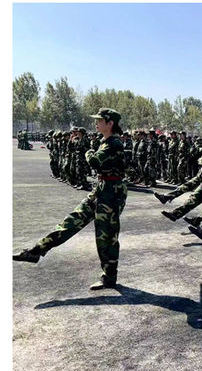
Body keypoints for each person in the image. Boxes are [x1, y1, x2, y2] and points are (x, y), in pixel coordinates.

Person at [14, 108, 127, 290]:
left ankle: (109, 277)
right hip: (101, 188)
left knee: (106, 237)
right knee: (73, 220)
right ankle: (37, 251)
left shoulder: (114, 143)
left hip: (112, 193)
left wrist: (88, 152)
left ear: (110, 123)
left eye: (99, 120)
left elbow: (94, 161)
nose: (96, 123)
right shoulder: (105, 141)